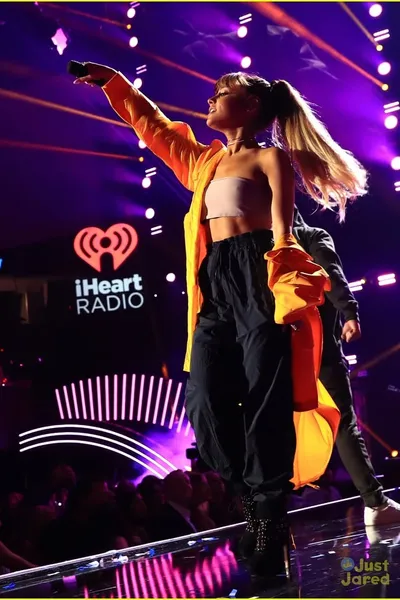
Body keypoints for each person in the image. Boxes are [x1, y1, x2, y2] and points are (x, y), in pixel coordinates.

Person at [73, 63, 367, 577]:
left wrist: (287, 293)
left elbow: (282, 230)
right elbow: (157, 128)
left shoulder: (270, 156)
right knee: (205, 403)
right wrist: (115, 83)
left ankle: (270, 524)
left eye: (222, 93)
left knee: (265, 407)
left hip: (260, 276)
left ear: (251, 108)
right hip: (215, 286)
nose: (210, 99)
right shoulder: (204, 163)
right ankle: (255, 501)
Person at [293, 207, 400, 526]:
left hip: (276, 346)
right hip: (316, 346)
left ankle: (265, 515)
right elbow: (333, 276)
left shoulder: (256, 244)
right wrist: (350, 313)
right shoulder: (309, 237)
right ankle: (375, 502)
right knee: (343, 422)